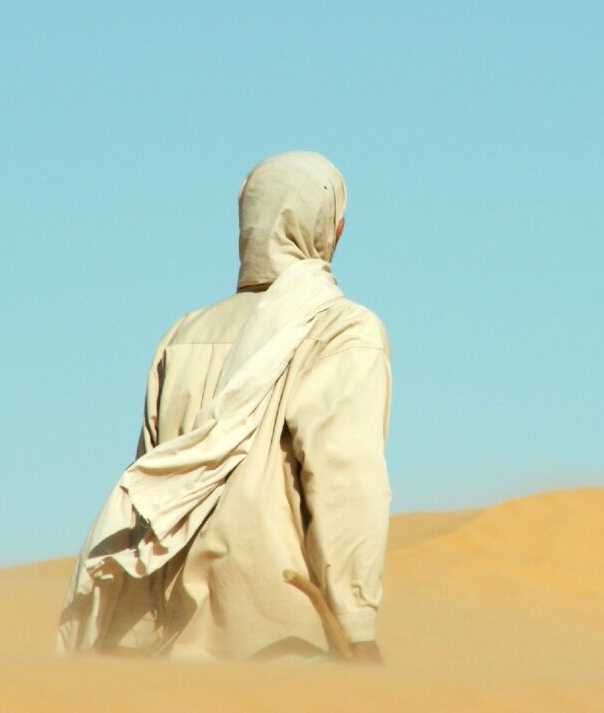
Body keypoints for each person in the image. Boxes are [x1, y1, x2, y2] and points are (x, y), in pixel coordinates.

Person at [58, 151, 391, 664]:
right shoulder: (342, 331)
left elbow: (151, 484)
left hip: (160, 639)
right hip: (278, 642)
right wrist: (357, 625)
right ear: (333, 230)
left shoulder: (183, 334)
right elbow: (345, 482)